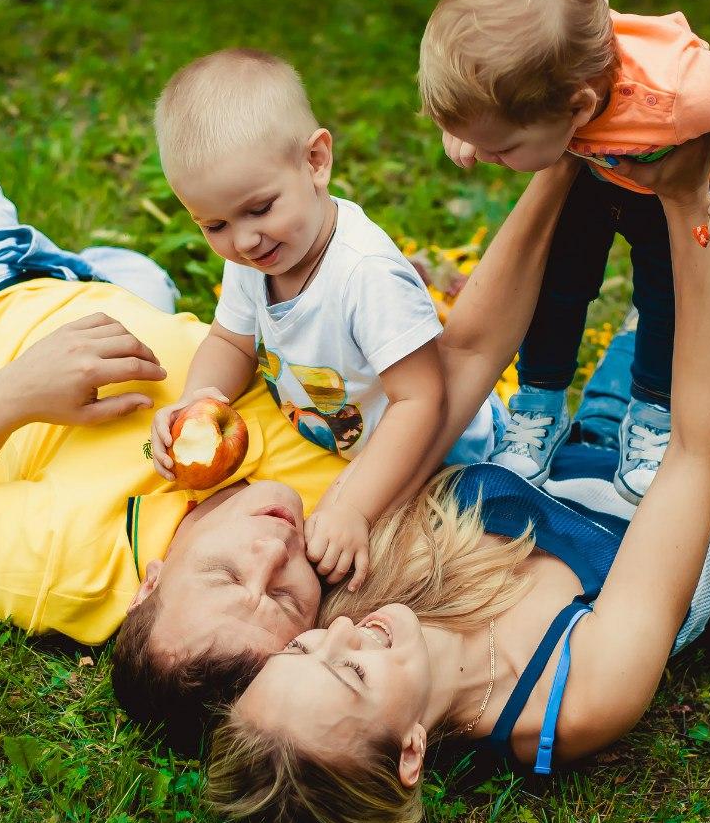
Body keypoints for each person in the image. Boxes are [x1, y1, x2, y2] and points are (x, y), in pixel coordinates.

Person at [0, 81, 591, 751]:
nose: (273, 550)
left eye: (223, 581)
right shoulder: (340, 515)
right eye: (285, 596)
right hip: (117, 306)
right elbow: (462, 368)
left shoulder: (67, 564)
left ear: (151, 583)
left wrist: (16, 394)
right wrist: (568, 159)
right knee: (133, 270)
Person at [202, 134, 710, 823]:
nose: (338, 632)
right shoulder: (572, 698)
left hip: (598, 450)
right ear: (412, 752)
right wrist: (685, 206)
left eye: (302, 649)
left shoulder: (363, 583)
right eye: (349, 672)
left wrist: (565, 157)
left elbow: (469, 353)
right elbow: (693, 454)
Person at [148, 50, 500, 591]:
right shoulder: (257, 256)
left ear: (315, 161)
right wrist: (201, 399)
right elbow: (231, 340)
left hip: (439, 456)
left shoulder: (364, 277)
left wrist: (354, 509)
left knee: (394, 577)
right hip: (342, 436)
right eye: (213, 224)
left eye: (260, 209)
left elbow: (422, 400)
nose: (241, 240)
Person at [420, 0, 710, 502]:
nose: (486, 158)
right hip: (598, 169)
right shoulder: (543, 73)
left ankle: (655, 414)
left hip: (673, 182)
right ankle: (538, 405)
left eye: (501, 148)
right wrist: (467, 126)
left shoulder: (679, 86)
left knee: (666, 304)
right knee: (555, 283)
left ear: (579, 106)